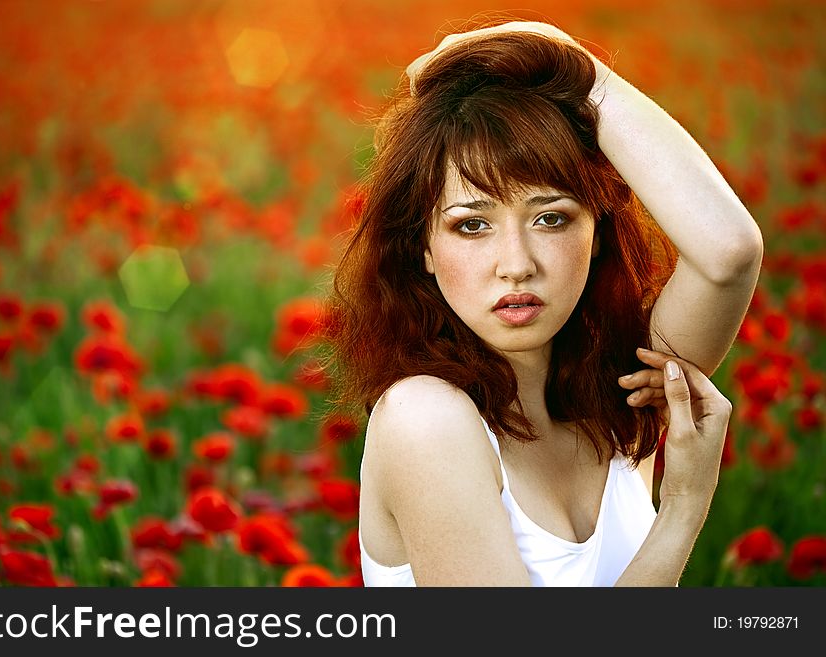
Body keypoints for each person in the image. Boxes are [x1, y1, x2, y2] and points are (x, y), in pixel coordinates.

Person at [324, 19, 763, 586]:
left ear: (597, 231)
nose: (517, 263)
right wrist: (681, 510)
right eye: (472, 225)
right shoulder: (426, 419)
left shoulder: (627, 392)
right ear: (423, 248)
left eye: (550, 218)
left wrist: (576, 67)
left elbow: (728, 251)